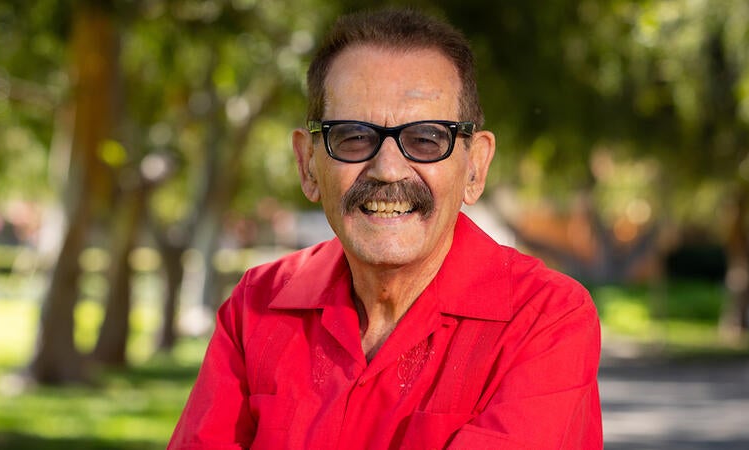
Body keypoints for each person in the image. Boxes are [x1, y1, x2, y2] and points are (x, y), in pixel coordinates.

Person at [169, 8, 602, 449]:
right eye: (354, 136)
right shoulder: (256, 307)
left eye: (427, 138)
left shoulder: (544, 319)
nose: (388, 169)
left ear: (475, 167)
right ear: (308, 165)